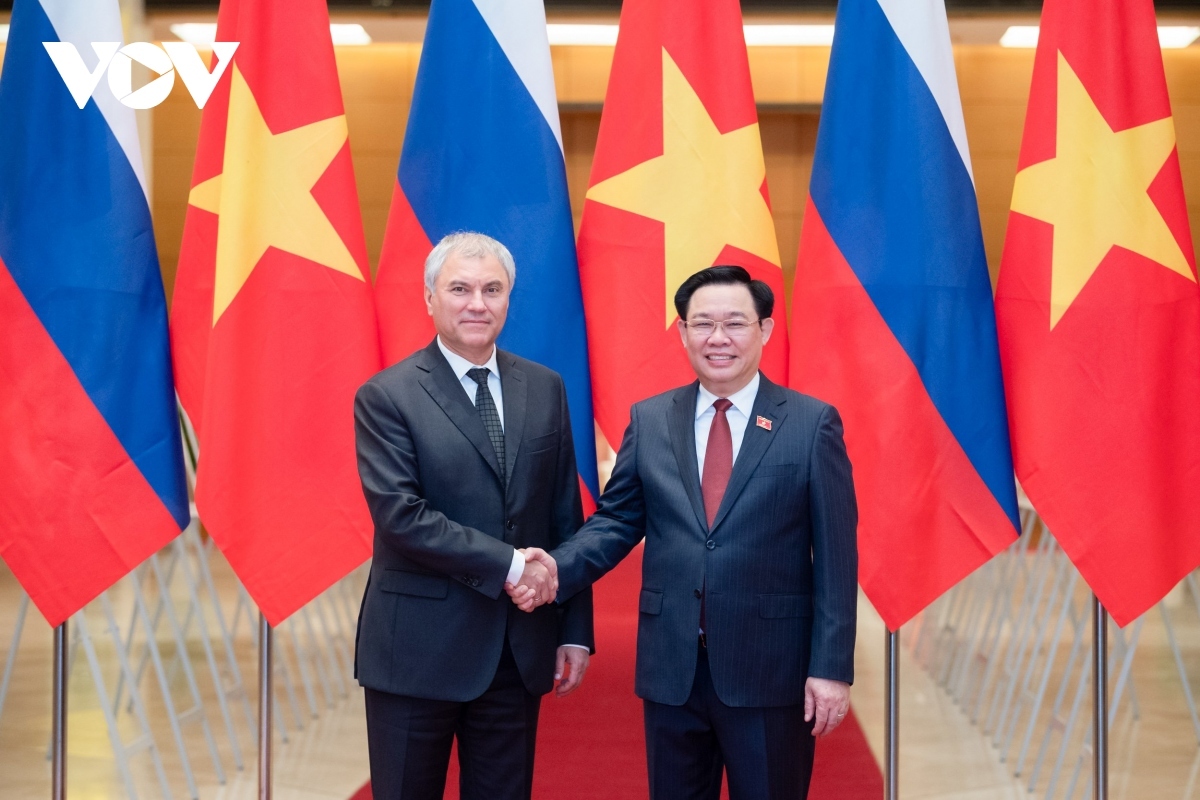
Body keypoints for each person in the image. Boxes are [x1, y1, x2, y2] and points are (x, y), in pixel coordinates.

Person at [510, 265, 858, 800]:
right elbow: (618, 519)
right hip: (672, 667)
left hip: (770, 669)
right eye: (703, 324)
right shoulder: (651, 420)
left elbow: (837, 556)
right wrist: (558, 567)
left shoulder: (811, 424)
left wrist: (831, 668)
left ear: (764, 330)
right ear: (682, 332)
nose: (718, 339)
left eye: (735, 323)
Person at [353, 232, 593, 800]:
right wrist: (513, 566)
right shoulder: (387, 395)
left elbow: (565, 514)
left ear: (509, 299)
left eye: (492, 289)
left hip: (517, 649)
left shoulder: (545, 387)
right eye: (459, 288)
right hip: (415, 652)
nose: (477, 303)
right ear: (430, 299)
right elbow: (402, 517)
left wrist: (574, 630)